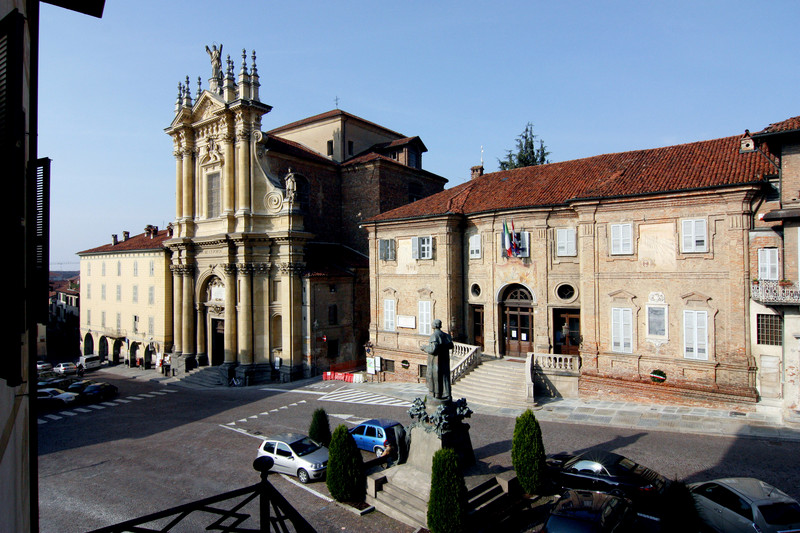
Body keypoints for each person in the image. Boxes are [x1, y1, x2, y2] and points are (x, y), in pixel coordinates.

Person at [421, 319, 454, 401]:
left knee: (436, 377)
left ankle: (437, 394)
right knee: (445, 378)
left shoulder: (434, 336)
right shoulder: (446, 336)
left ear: (434, 326)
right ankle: (447, 394)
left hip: (435, 362)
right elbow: (451, 345)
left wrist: (424, 348)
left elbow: (433, 349)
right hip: (445, 361)